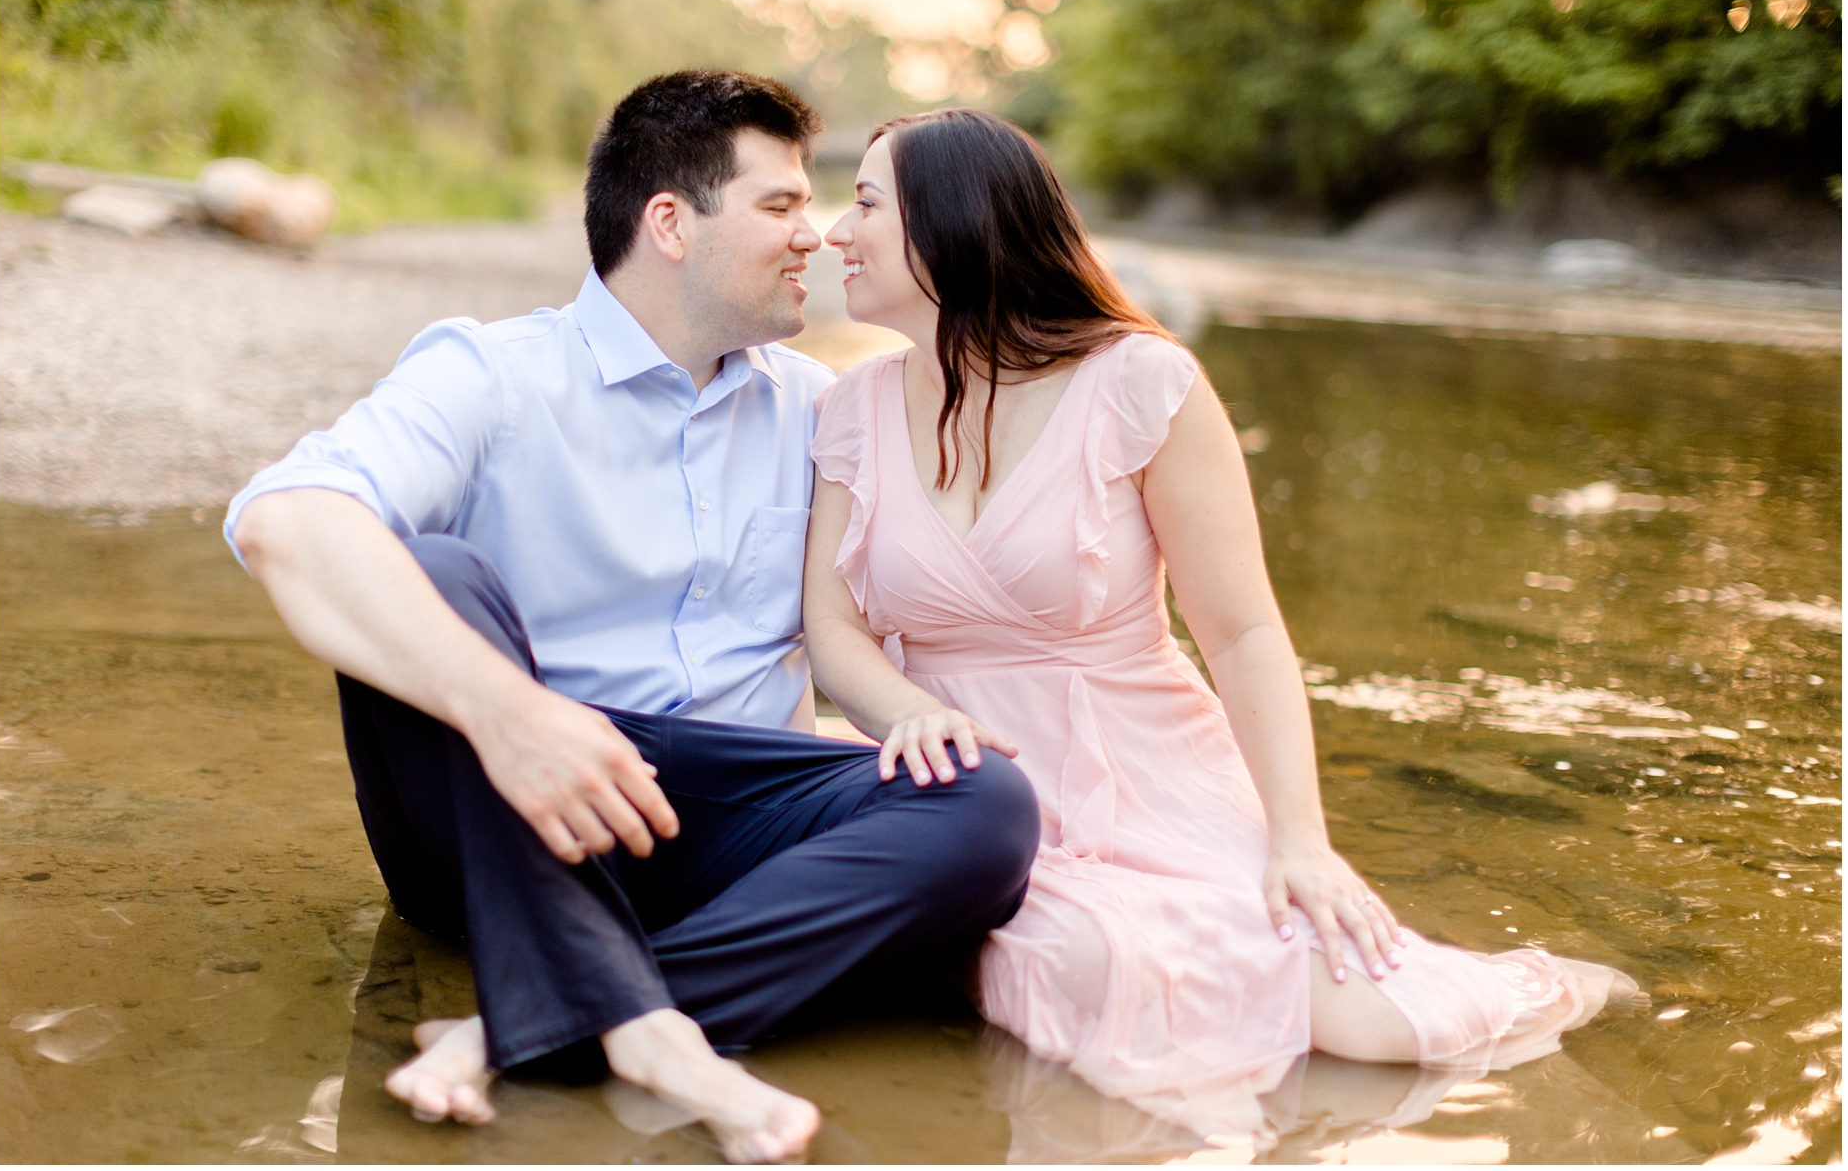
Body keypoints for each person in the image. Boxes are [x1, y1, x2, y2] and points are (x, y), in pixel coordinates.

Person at [223, 73, 1039, 1164]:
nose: (819, 236)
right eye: (782, 205)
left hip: (712, 810)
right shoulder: (494, 374)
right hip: (501, 798)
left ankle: (555, 1020)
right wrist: (512, 713)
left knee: (984, 798)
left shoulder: (817, 407)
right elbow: (282, 519)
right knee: (430, 568)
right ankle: (648, 1028)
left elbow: (871, 627)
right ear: (670, 221)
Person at [804, 109, 1638, 1137]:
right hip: (967, 784)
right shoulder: (849, 406)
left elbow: (1242, 633)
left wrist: (1302, 838)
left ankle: (1579, 987)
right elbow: (830, 625)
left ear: (955, 221)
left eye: (867, 204)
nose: (835, 231)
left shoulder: (1140, 384)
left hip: (1150, 766)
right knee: (1083, 963)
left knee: (1367, 1018)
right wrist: (908, 714)